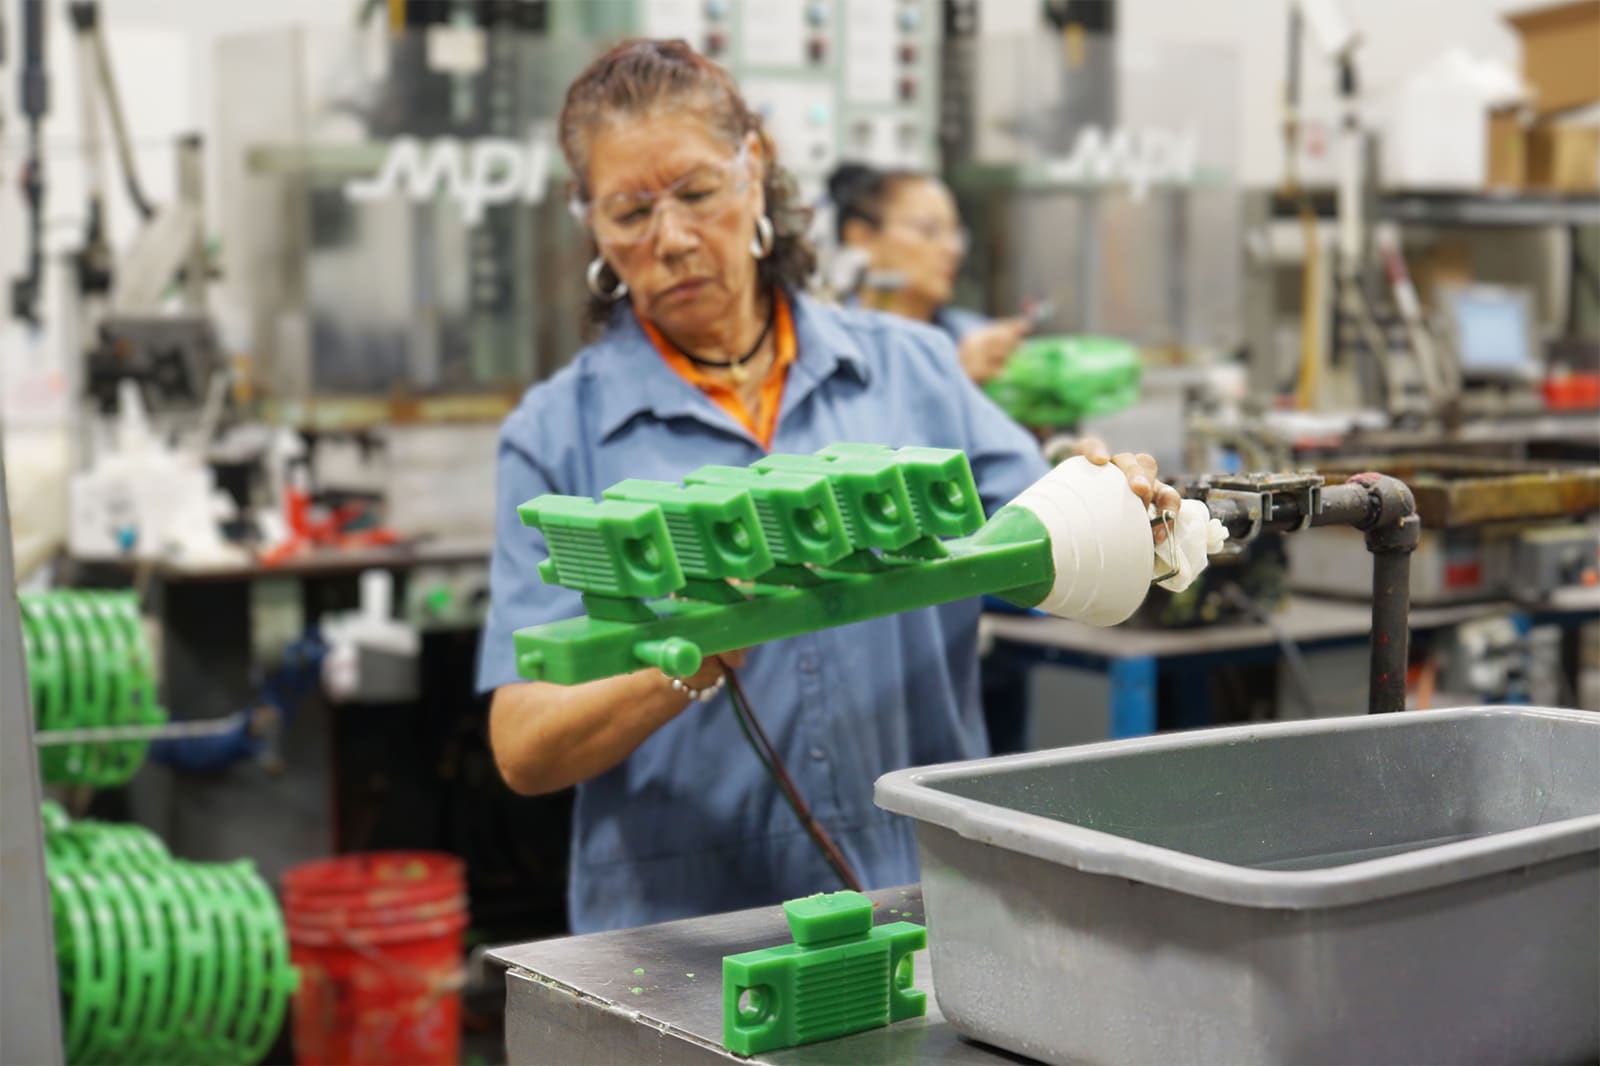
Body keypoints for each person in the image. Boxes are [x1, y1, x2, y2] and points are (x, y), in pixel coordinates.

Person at [477, 38, 1178, 934]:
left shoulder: (911, 375)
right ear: (590, 222)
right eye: (628, 212)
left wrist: (1112, 501)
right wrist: (692, 657)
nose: (673, 239)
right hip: (682, 934)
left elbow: (1049, 545)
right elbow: (525, 746)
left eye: (696, 193)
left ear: (755, 168)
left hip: (921, 903)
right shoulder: (554, 435)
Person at [827, 163, 1029, 386]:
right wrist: (957, 378)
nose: (953, 249)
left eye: (956, 233)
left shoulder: (975, 336)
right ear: (861, 237)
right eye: (929, 230)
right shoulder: (831, 347)